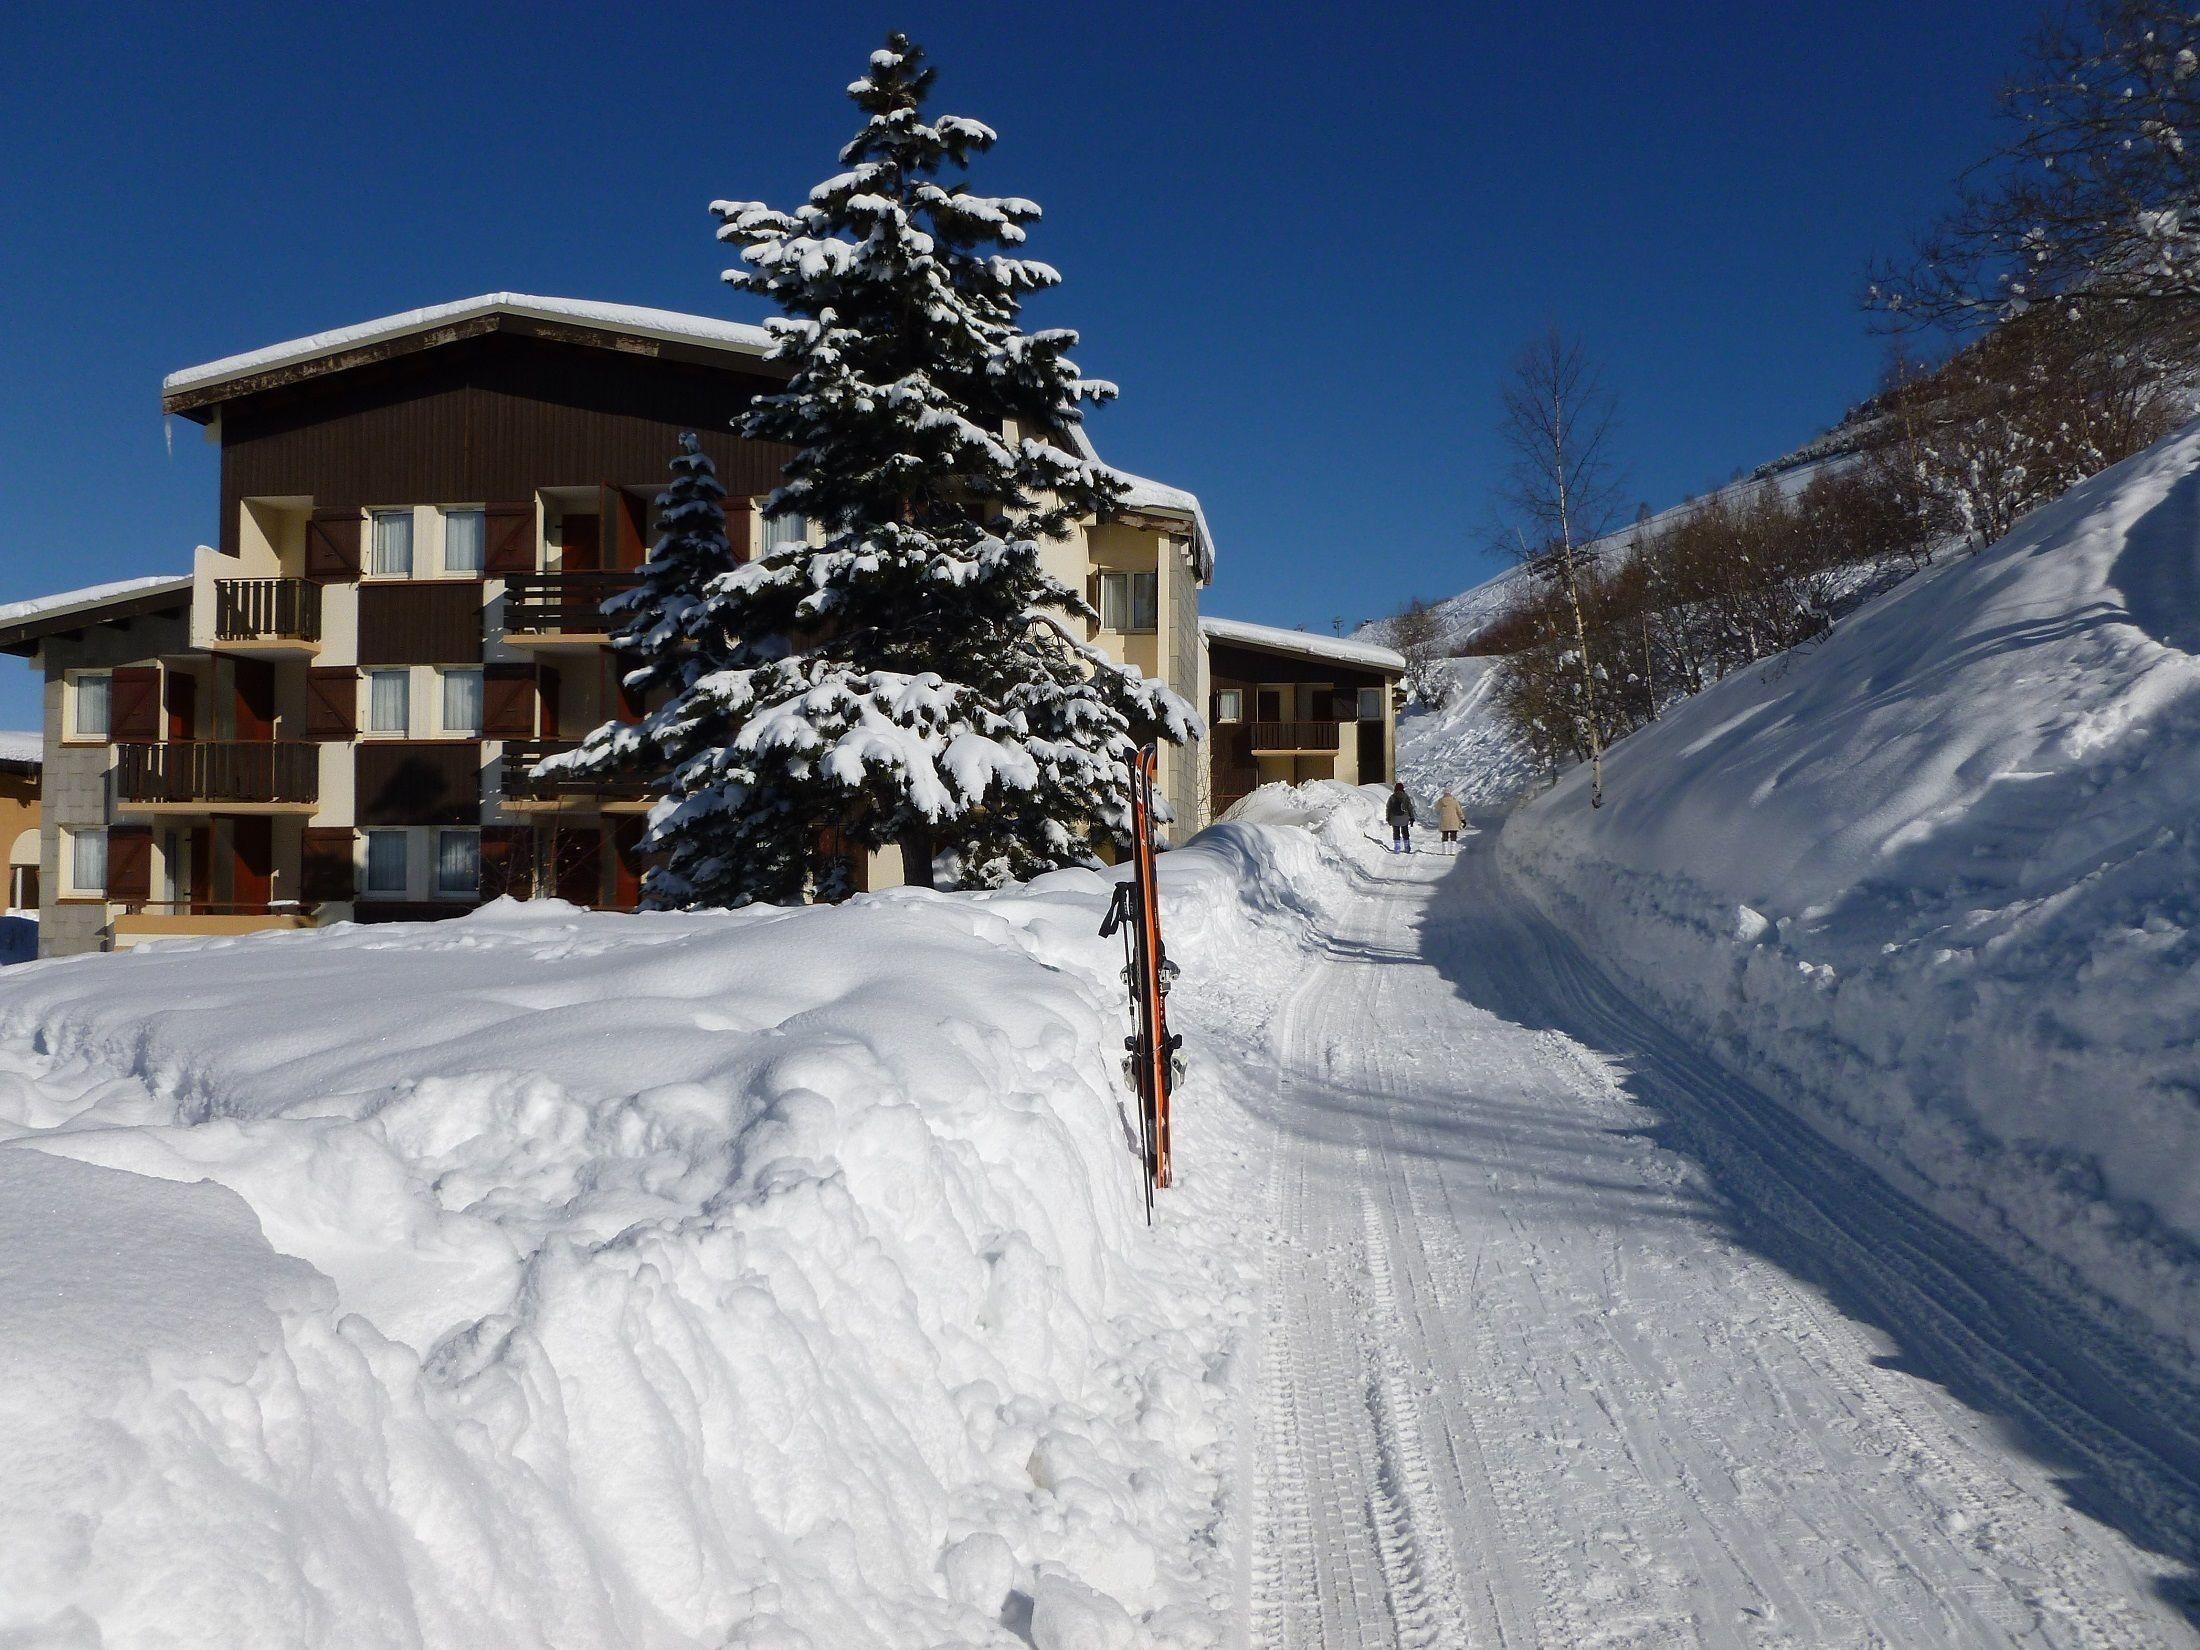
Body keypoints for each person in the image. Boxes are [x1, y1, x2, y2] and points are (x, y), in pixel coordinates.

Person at [1385, 782, 1415, 853]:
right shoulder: (1405, 796)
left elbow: (1388, 808)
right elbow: (1410, 808)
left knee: (1396, 832)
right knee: (1405, 831)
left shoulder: (1392, 797)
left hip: (1394, 817)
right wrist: (1411, 817)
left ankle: (1397, 848)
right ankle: (1407, 847)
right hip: (1404, 817)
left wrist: (1388, 817)